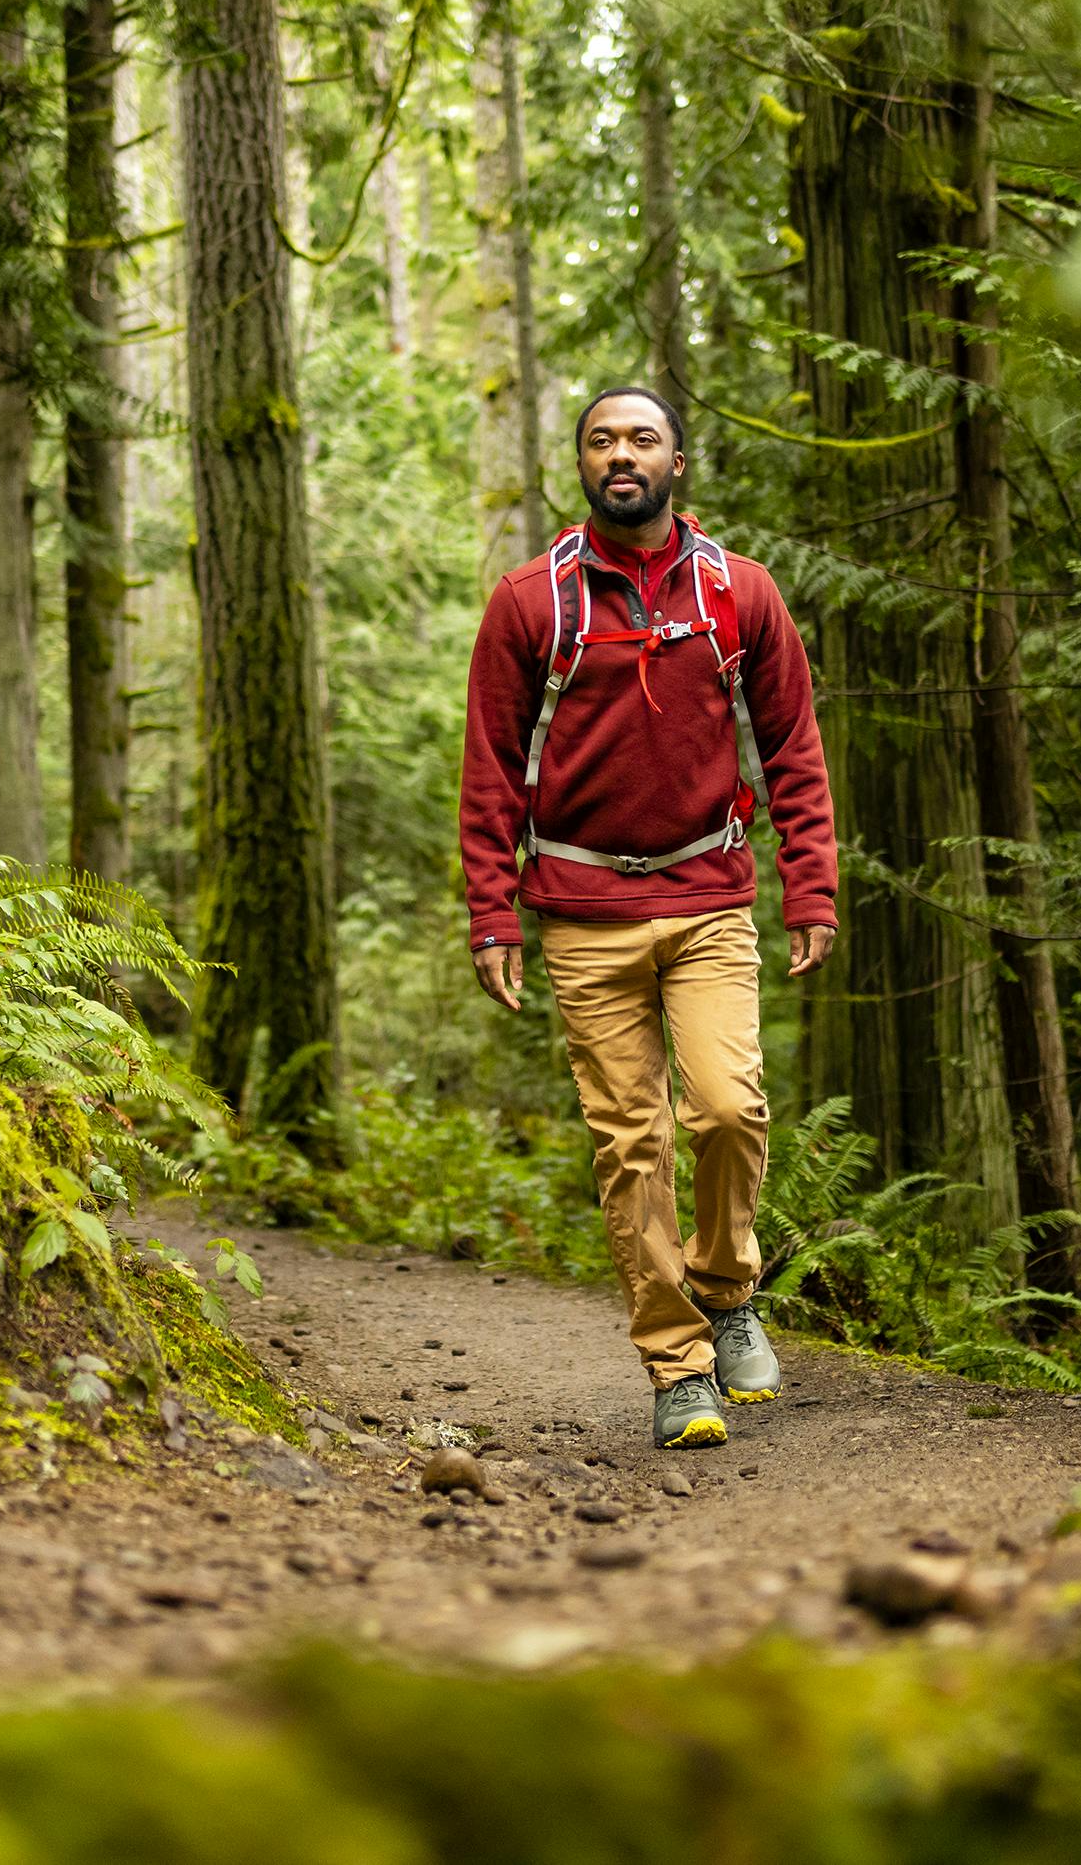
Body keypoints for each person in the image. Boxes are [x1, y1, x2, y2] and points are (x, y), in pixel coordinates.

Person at [458, 384, 839, 1450]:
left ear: (677, 462)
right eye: (600, 439)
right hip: (581, 911)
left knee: (724, 1109)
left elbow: (792, 749)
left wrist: (809, 883)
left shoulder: (740, 594)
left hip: (708, 892)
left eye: (641, 438)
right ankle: (676, 1365)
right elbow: (489, 768)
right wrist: (492, 912)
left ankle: (725, 1289)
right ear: (579, 463)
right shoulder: (531, 602)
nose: (619, 453)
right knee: (631, 1142)